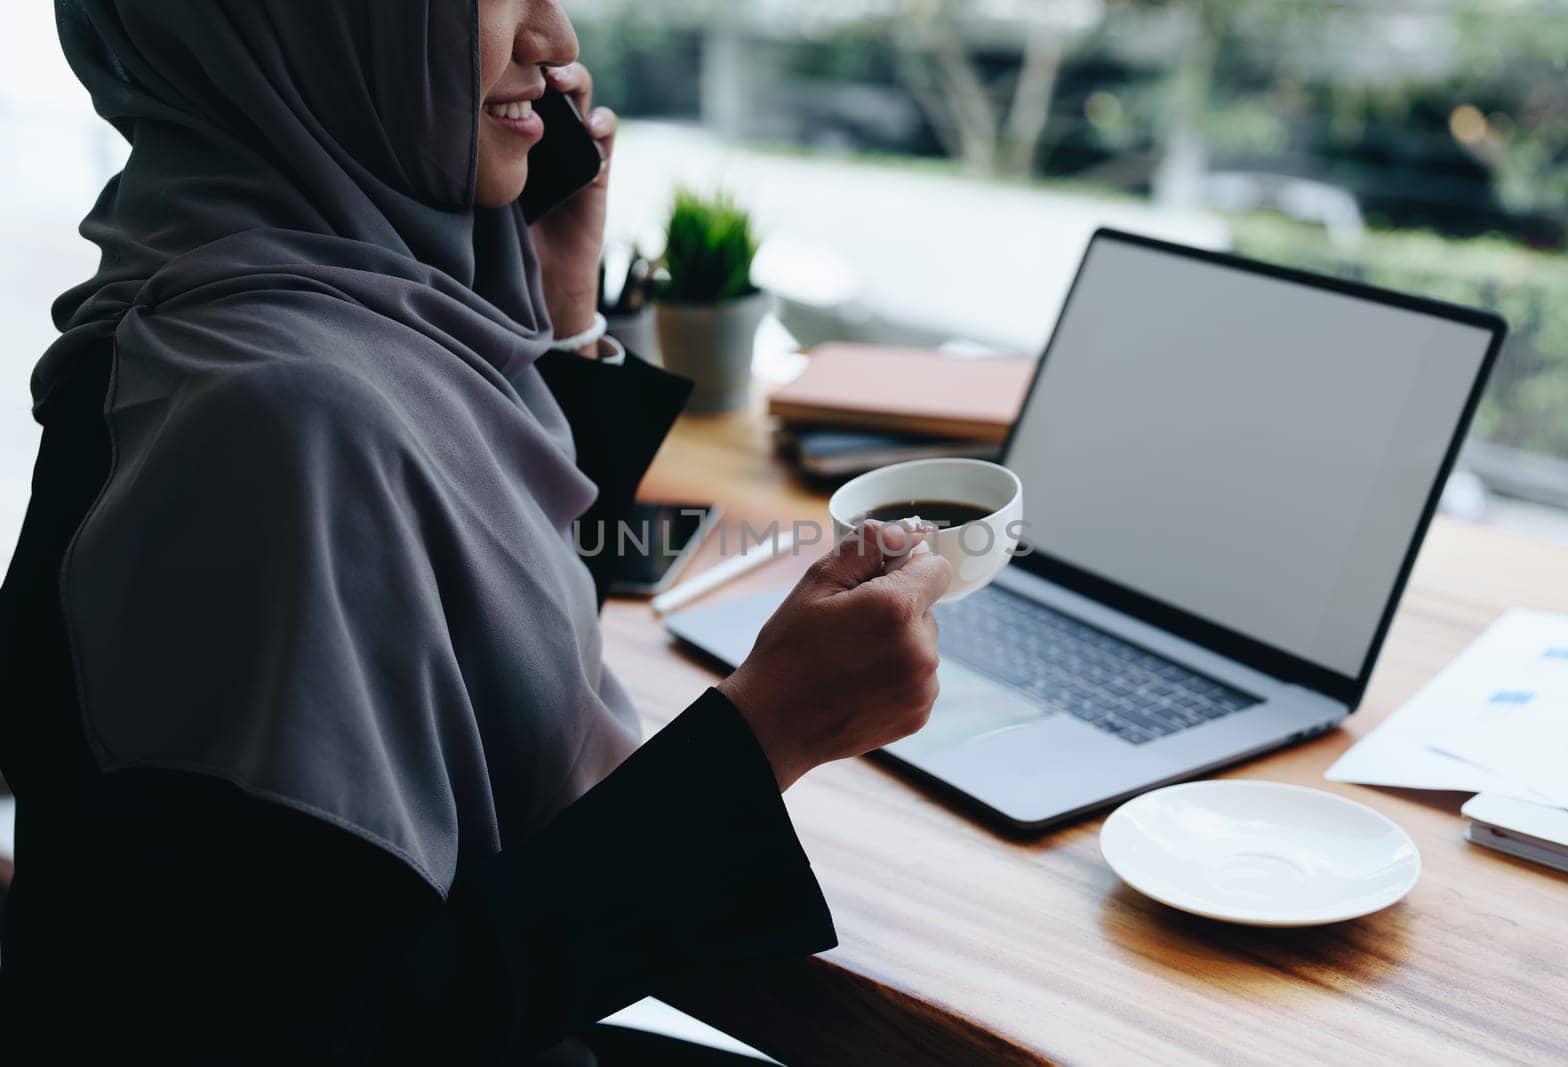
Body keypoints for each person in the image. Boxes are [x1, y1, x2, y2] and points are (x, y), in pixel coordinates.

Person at [0, 2, 951, 1063]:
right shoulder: (275, 419)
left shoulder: (257, 285)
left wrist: (559, 306)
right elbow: (370, 1028)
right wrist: (770, 730)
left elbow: (463, 649)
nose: (553, 42)